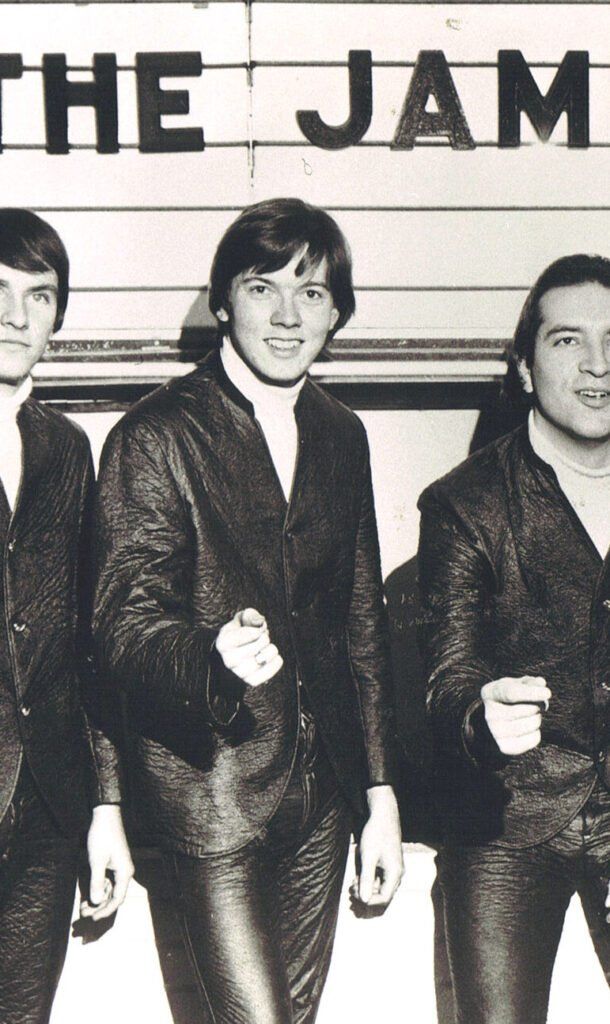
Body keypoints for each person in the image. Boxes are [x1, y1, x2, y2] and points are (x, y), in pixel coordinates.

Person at [92, 197, 403, 1024]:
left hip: (324, 792)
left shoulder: (342, 433)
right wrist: (210, 656)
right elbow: (123, 623)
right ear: (223, 301)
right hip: (211, 787)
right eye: (264, 287)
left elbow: (362, 624)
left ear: (338, 313)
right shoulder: (154, 435)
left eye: (313, 292)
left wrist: (380, 793)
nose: (289, 315)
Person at [418, 253, 610, 1024]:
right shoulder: (465, 504)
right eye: (568, 341)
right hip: (506, 818)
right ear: (525, 368)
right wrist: (479, 715)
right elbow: (447, 674)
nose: (599, 364)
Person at [0, 208, 133, 1024]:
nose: (15, 316)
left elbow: (91, 649)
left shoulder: (69, 449)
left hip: (47, 803)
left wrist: (102, 809)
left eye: (39, 296)